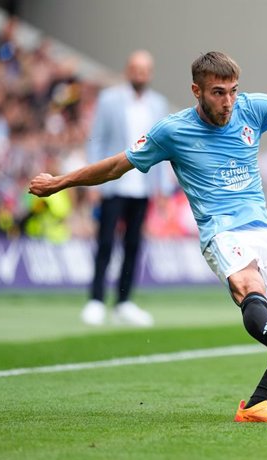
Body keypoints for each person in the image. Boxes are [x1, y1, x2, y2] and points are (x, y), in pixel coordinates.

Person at [29, 51, 267, 424]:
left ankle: (258, 403)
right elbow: (117, 165)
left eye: (233, 90)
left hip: (265, 230)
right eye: (219, 92)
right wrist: (60, 182)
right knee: (251, 288)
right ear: (197, 91)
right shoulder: (173, 130)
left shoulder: (253, 108)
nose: (229, 101)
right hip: (221, 232)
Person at [81, 50, 170, 327]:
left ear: (150, 73)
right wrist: (93, 180)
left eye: (145, 70)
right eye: (135, 69)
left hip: (142, 186)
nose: (140, 74)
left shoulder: (157, 104)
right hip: (113, 182)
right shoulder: (110, 100)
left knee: (133, 245)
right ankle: (96, 300)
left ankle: (123, 301)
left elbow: (164, 147)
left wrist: (162, 188)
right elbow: (96, 139)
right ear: (127, 70)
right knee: (105, 242)